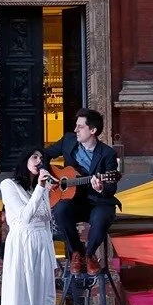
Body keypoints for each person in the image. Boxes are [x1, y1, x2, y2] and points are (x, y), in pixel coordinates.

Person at [0, 148, 57, 305]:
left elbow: (44, 218)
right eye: (35, 157)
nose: (39, 162)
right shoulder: (8, 186)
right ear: (24, 161)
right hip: (21, 248)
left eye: (41, 159)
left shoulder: (39, 187)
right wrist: (41, 190)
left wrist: (45, 192)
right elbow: (23, 218)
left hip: (40, 247)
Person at [43, 108, 120, 276]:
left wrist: (101, 187)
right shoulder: (68, 141)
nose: (75, 130)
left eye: (80, 127)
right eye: (76, 126)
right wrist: (45, 172)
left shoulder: (107, 153)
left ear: (93, 131)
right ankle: (77, 252)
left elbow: (111, 186)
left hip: (97, 201)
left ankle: (90, 254)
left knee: (101, 218)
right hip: (73, 199)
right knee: (60, 210)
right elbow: (45, 154)